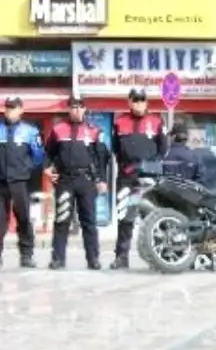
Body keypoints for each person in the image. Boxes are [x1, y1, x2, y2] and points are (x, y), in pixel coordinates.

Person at [44, 97, 109, 270]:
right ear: (69, 109)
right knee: (62, 219)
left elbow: (102, 158)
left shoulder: (94, 131)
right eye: (74, 107)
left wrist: (102, 180)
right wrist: (47, 168)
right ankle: (58, 259)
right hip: (65, 180)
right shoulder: (58, 130)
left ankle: (93, 259)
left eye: (80, 107)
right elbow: (48, 153)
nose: (77, 111)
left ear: (85, 109)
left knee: (89, 220)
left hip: (86, 181)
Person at [111, 88, 169, 269]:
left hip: (149, 178)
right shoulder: (119, 123)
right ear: (129, 102)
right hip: (127, 177)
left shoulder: (157, 122)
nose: (138, 103)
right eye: (135, 100)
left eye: (142, 100)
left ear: (147, 102)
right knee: (125, 217)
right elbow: (115, 149)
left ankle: (162, 255)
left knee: (155, 216)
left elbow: (163, 149)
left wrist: (150, 166)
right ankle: (121, 256)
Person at [0, 96, 45, 269]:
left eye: (14, 107)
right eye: (8, 107)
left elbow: (38, 156)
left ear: (21, 109)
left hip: (20, 182)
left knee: (24, 218)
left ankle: (26, 255)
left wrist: (25, 170)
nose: (10, 111)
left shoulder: (30, 131)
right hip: (1, 183)